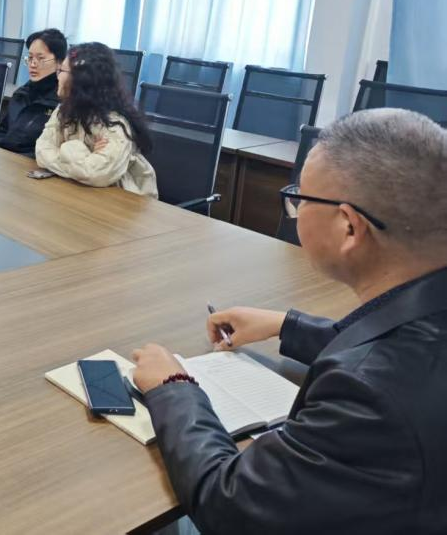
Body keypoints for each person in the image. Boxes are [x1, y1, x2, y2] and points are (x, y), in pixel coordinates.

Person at [131, 108, 447, 535]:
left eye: (301, 199)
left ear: (349, 226)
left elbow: (229, 505)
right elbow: (396, 343)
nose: (294, 209)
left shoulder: (370, 401)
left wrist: (173, 387)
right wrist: (286, 324)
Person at [34, 42, 157, 196]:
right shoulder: (64, 111)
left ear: (81, 80)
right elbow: (41, 152)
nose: (57, 76)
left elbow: (94, 174)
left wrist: (67, 148)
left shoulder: (115, 125)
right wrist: (84, 156)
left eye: (62, 71)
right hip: (80, 193)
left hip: (120, 201)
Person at [0, 28, 65, 156]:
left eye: (40, 58)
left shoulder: (61, 103)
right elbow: (3, 129)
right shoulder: (21, 94)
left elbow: (54, 151)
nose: (33, 64)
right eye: (30, 58)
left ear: (59, 62)